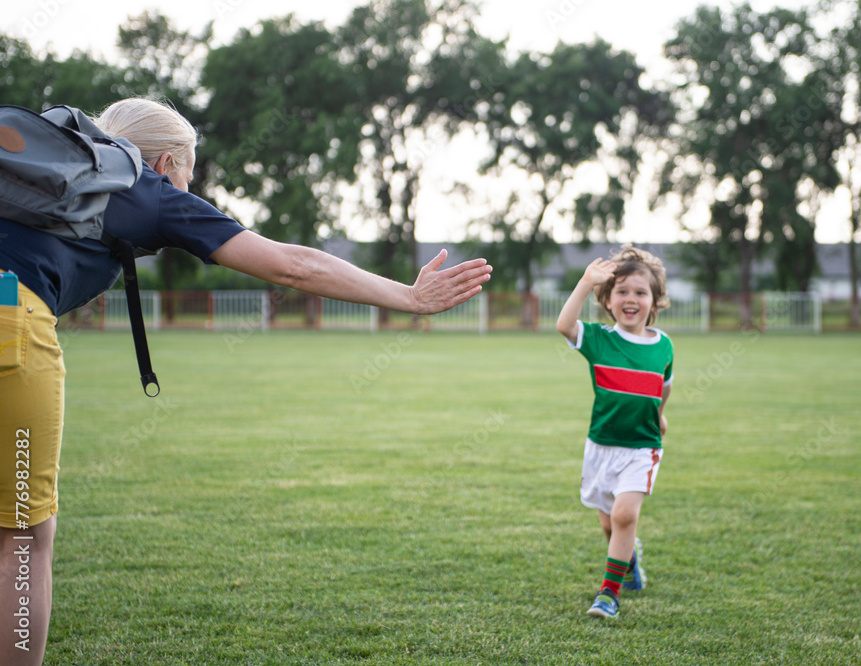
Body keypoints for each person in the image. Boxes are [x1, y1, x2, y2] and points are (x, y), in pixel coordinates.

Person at [0, 97, 492, 665]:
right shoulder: (142, 186)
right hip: (11, 315)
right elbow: (291, 264)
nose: (187, 183)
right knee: (21, 537)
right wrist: (407, 296)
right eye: (189, 170)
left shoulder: (44, 170)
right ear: (166, 163)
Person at [555, 244, 673, 620]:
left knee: (624, 516)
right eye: (621, 291)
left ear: (654, 301)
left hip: (642, 447)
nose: (631, 299)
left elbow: (664, 385)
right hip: (601, 447)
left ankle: (609, 594)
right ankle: (629, 560)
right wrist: (586, 282)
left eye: (640, 292)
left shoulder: (664, 345)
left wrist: (661, 414)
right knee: (609, 524)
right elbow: (564, 325)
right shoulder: (599, 340)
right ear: (607, 300)